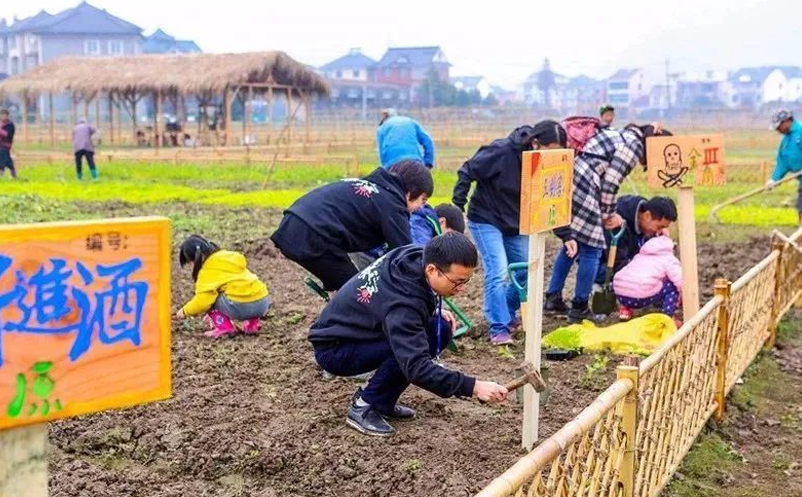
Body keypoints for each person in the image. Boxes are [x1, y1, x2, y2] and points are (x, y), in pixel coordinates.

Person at [310, 232, 509, 436]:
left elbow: (397, 302)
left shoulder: (414, 256)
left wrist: (430, 311)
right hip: (336, 349)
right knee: (409, 349)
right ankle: (366, 406)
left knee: (439, 327)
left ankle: (383, 402)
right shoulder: (404, 306)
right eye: (457, 282)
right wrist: (474, 386)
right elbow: (417, 367)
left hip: (360, 331)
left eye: (466, 281)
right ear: (432, 270)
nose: (462, 289)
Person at [452, 121, 567, 345]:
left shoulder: (548, 166)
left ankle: (506, 310)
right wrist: (458, 204)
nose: (552, 156)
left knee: (527, 269)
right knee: (499, 271)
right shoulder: (502, 152)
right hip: (486, 218)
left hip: (516, 223)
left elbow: (552, 202)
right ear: (536, 143)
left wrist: (566, 234)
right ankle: (498, 327)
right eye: (550, 150)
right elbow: (468, 170)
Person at [546, 123, 671, 323]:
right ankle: (579, 307)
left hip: (574, 176)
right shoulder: (634, 146)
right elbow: (611, 183)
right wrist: (609, 214)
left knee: (572, 243)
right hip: (585, 183)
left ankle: (553, 297)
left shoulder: (625, 134)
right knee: (592, 249)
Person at [271, 159, 433, 292]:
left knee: (348, 286)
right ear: (410, 191)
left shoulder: (374, 189)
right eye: (423, 199)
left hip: (292, 224)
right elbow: (406, 254)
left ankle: (338, 313)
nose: (421, 207)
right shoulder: (393, 204)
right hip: (312, 233)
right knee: (359, 291)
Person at [175, 235, 271, 337]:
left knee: (209, 297)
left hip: (240, 307)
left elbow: (202, 302)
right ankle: (252, 325)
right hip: (262, 302)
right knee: (245, 288)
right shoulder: (227, 257)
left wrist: (185, 311)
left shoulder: (206, 271)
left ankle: (224, 327)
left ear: (194, 260)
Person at [352, 203, 466, 271]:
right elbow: (418, 253)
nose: (449, 242)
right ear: (442, 221)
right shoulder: (421, 223)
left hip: (377, 252)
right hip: (368, 251)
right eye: (449, 235)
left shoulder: (424, 221)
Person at [593, 195, 678, 286]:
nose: (659, 232)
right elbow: (619, 266)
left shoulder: (644, 210)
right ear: (647, 216)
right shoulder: (617, 225)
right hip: (601, 264)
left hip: (624, 258)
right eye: (659, 227)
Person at [613, 235, 683, 328]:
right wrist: (682, 293)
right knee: (672, 286)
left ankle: (625, 311)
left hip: (621, 295)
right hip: (639, 298)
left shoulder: (639, 256)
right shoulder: (669, 259)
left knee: (630, 281)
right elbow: (679, 279)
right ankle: (668, 318)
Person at [767, 109, 802, 224]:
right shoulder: (785, 141)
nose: (777, 130)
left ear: (786, 121)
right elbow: (782, 162)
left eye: (778, 126)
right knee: (801, 208)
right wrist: (774, 179)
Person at [0, 109, 17, 179]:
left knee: (2, 157)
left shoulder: (10, 125)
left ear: (7, 116)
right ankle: (14, 175)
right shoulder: (1, 124)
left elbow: (7, 135)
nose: (3, 117)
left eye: (4, 115)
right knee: (8, 160)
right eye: (1, 115)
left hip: (6, 145)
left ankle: (1, 172)